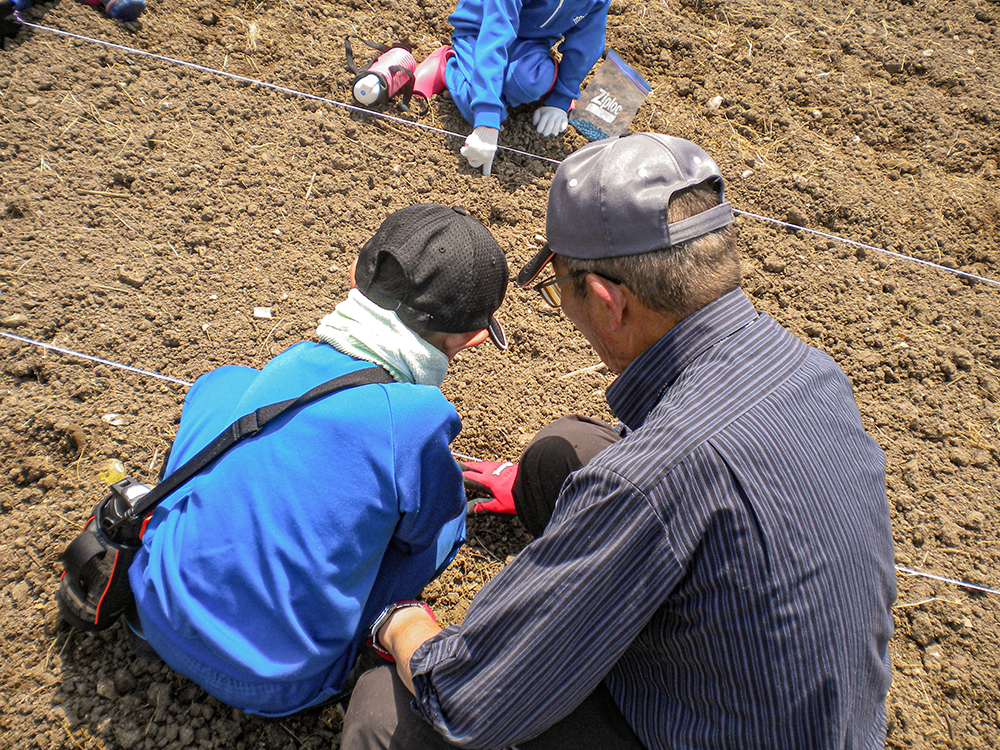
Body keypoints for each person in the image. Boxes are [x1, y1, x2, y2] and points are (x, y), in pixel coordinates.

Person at [341, 134, 897, 749]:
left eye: (559, 294)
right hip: (816, 716)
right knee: (566, 450)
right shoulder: (810, 370)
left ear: (608, 302)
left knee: (384, 710)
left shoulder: (647, 483)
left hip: (698, 728)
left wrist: (400, 622)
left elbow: (468, 700)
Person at [127, 204, 509, 717]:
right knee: (447, 522)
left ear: (355, 273)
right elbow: (420, 533)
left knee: (224, 386)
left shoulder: (292, 361)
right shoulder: (420, 415)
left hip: (152, 607)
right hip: (280, 683)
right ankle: (369, 623)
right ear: (471, 338)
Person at [411, 0, 611, 176]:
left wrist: (560, 98)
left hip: (531, 41)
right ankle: (445, 64)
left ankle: (522, 84)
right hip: (481, 30)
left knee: (531, 83)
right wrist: (487, 118)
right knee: (474, 109)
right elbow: (495, 34)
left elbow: (587, 42)